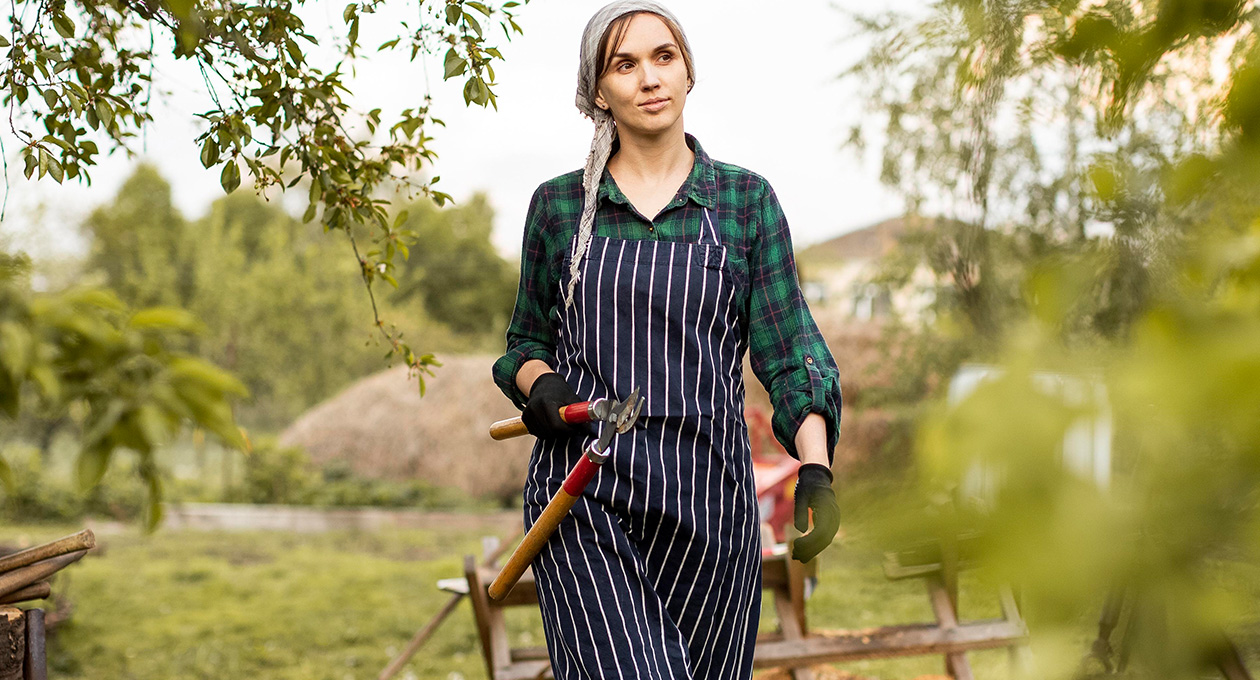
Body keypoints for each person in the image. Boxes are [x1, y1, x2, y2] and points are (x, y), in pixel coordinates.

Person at [491, 2, 842, 677]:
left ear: (686, 73)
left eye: (663, 57)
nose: (649, 78)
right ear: (599, 91)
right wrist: (542, 388)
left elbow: (789, 349)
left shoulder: (744, 203)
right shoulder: (560, 207)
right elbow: (523, 344)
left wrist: (816, 469)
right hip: (585, 492)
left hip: (711, 505)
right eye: (625, 64)